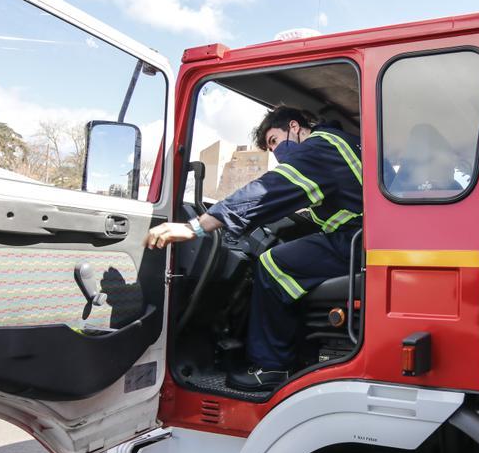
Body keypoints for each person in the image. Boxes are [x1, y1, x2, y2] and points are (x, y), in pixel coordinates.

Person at [144, 106, 362, 392]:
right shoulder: (341, 142)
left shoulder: (320, 146)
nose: (274, 151)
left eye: (273, 141)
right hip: (369, 239)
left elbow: (270, 189)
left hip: (358, 240)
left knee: (273, 265)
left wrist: (195, 227)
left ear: (294, 127)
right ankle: (301, 354)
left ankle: (271, 367)